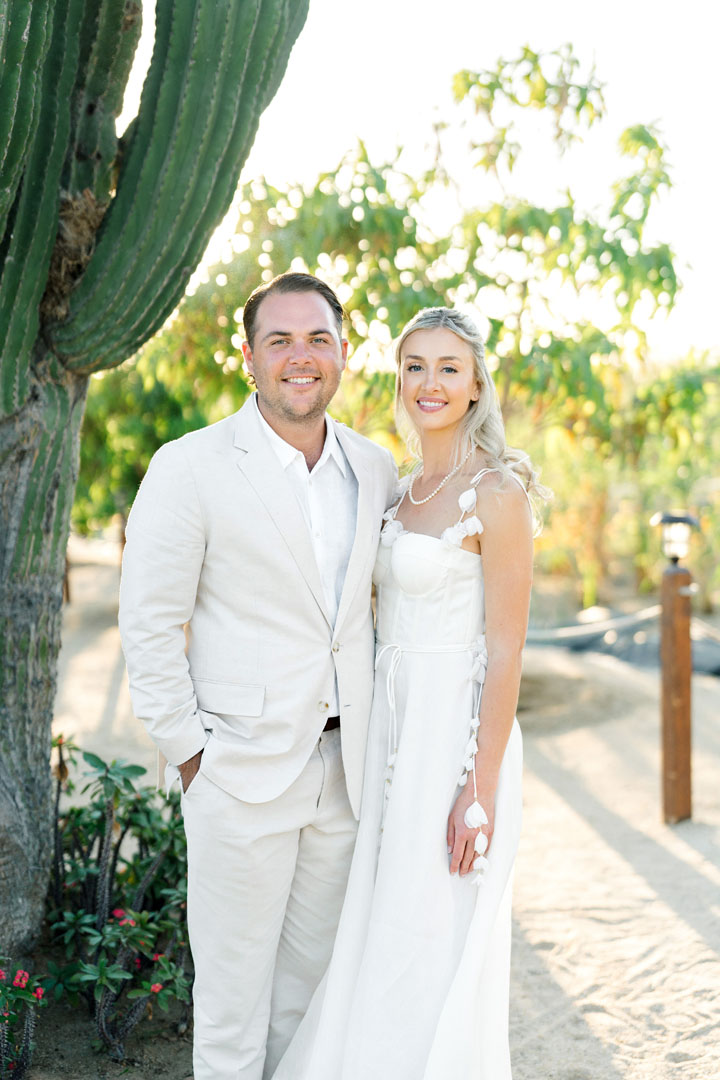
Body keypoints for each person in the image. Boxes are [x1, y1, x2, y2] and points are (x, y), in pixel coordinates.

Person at [118, 272, 397, 1080]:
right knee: (233, 1012)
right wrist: (191, 755)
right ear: (248, 357)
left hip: (344, 780)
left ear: (343, 353)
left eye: (317, 339)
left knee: (308, 1005)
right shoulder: (190, 466)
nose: (299, 356)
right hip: (237, 775)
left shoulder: (374, 467)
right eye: (279, 340)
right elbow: (148, 623)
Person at [273, 306, 547, 1080]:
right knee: (379, 918)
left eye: (448, 368)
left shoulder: (497, 493)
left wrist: (478, 787)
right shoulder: (397, 490)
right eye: (415, 366)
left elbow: (507, 647)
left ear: (476, 384)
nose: (430, 382)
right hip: (386, 732)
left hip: (452, 736)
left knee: (432, 926)